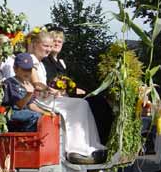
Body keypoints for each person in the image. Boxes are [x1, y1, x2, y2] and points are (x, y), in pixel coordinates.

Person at [24, 29, 106, 164]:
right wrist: (50, 90)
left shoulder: (40, 60)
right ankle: (75, 149)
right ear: (34, 44)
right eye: (45, 46)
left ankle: (89, 146)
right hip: (39, 99)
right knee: (80, 105)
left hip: (47, 96)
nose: (48, 49)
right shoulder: (31, 60)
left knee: (83, 104)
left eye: (50, 47)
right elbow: (36, 84)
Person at [2, 53, 49, 131]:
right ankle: (24, 137)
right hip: (9, 113)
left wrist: (45, 113)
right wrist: (28, 94)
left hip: (22, 114)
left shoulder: (27, 83)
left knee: (41, 116)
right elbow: (19, 106)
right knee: (34, 116)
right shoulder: (9, 83)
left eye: (29, 69)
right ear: (15, 69)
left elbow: (31, 105)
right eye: (24, 69)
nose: (27, 72)